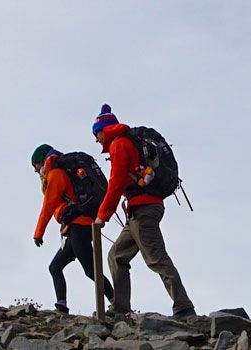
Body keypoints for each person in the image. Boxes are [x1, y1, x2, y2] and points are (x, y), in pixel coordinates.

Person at [88, 104, 197, 319]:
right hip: (140, 209)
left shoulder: (119, 144)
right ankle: (120, 308)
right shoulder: (126, 141)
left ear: (103, 130)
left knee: (155, 258)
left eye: (96, 134)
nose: (97, 140)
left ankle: (184, 307)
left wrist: (102, 216)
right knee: (116, 256)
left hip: (143, 208)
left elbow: (116, 182)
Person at [30, 144, 115, 314]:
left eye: (35, 166)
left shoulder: (55, 174)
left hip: (79, 227)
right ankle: (61, 306)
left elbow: (48, 205)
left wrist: (38, 233)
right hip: (74, 228)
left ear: (41, 161)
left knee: (91, 270)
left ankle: (117, 303)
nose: (35, 171)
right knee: (55, 267)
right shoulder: (60, 172)